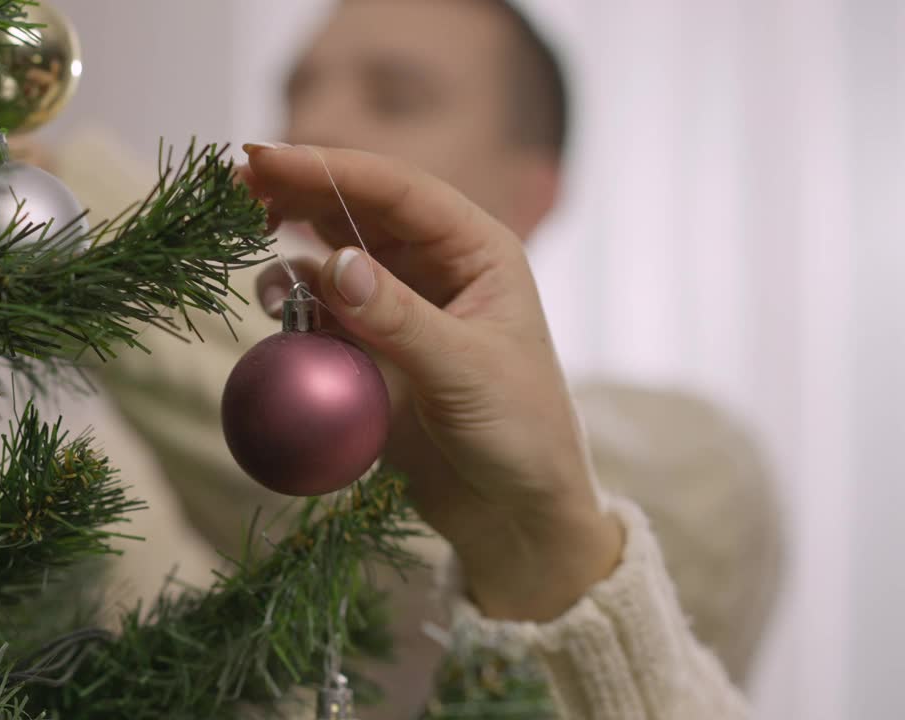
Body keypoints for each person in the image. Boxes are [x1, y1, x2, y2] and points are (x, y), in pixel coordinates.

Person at [93, 0, 782, 716]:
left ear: (533, 193)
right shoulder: (141, 488)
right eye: (294, 95)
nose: (307, 129)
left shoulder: (696, 466)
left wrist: (73, 211)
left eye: (396, 99)